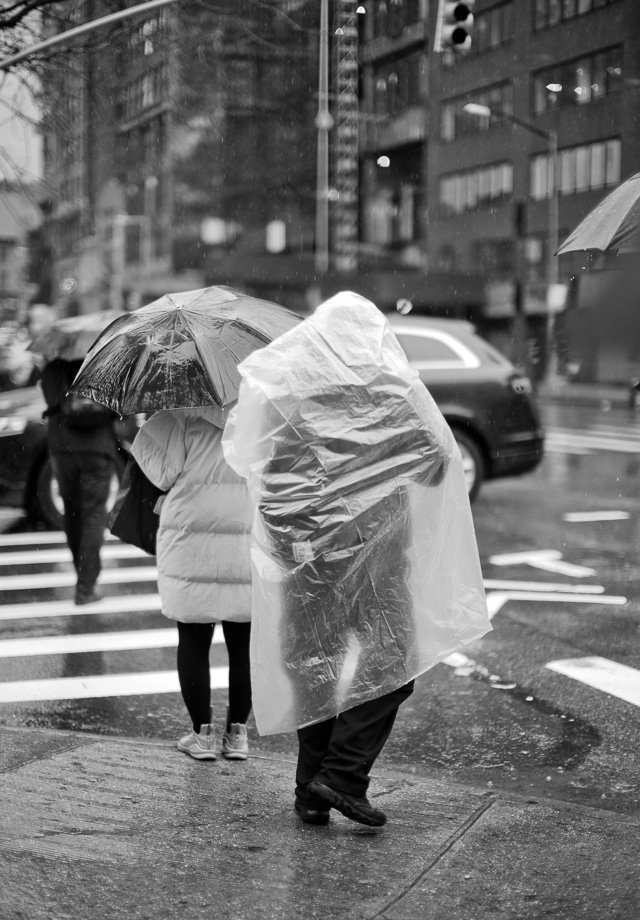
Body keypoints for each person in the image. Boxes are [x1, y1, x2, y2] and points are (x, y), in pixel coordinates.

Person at [223, 292, 491, 828]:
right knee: (393, 665)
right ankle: (342, 777)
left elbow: (263, 472)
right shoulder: (390, 392)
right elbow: (438, 464)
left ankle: (310, 791)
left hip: (305, 560)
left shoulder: (289, 393)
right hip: (376, 557)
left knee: (313, 668)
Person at [131, 405, 254, 761]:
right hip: (244, 532)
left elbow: (160, 474)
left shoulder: (179, 414)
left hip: (190, 534)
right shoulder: (259, 410)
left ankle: (201, 735)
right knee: (243, 643)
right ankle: (238, 736)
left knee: (193, 638)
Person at [40, 358, 117, 605]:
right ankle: (86, 586)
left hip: (63, 450)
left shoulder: (53, 368)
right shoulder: (104, 364)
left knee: (72, 515)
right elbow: (117, 407)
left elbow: (50, 403)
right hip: (97, 448)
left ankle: (81, 575)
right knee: (94, 515)